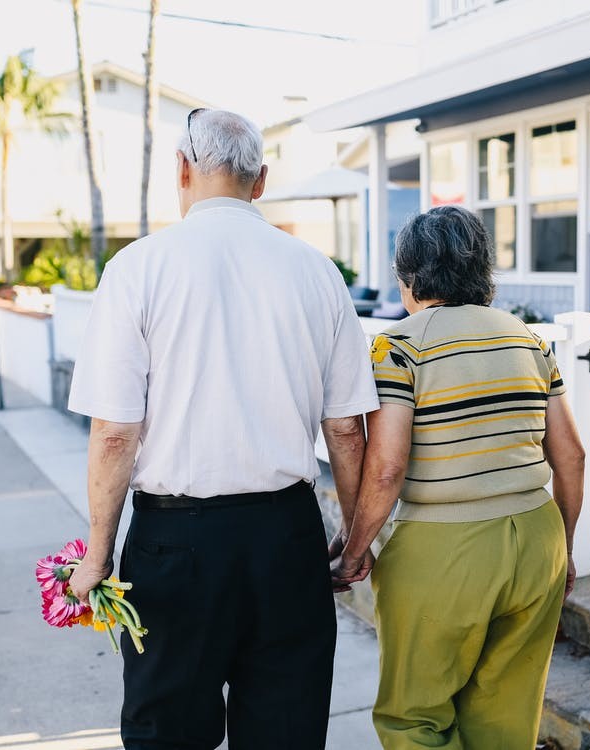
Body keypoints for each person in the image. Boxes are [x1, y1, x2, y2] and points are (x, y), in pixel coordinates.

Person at [66, 108, 379, 750]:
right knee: (285, 731)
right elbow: (346, 429)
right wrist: (353, 537)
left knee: (168, 734)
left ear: (182, 169)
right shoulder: (317, 271)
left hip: (171, 543)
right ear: (260, 181)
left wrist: (97, 553)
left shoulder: (138, 269)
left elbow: (115, 432)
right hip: (286, 539)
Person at [331, 205, 586, 749]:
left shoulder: (399, 345)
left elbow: (387, 469)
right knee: (507, 719)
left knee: (414, 720)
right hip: (537, 538)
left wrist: (355, 550)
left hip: (444, 548)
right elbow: (573, 457)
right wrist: (564, 549)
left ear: (410, 277)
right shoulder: (529, 340)